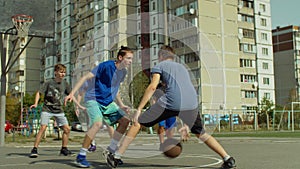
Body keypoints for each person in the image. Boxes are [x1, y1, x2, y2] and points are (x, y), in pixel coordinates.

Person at [107, 45, 236, 169]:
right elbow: (185, 89)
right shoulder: (182, 68)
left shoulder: (160, 66)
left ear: (161, 56)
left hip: (171, 102)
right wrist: (186, 124)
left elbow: (152, 87)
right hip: (191, 103)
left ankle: (116, 156)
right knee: (201, 133)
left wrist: (139, 109)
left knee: (138, 122)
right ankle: (227, 158)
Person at [64, 46, 134, 168]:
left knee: (125, 121)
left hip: (108, 102)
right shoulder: (106, 66)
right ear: (120, 57)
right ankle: (81, 156)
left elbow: (115, 89)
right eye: (128, 58)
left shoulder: (123, 72)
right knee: (97, 123)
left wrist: (121, 104)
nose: (130, 61)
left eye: (131, 59)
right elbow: (85, 77)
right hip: (93, 99)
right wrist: (71, 93)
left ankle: (110, 151)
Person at [29, 64, 73, 158]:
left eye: (64, 72)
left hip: (59, 109)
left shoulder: (65, 84)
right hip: (47, 109)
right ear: (56, 72)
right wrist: (36, 103)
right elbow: (39, 93)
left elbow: (71, 94)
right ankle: (34, 149)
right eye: (61, 72)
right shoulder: (49, 83)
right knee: (43, 128)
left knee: (67, 129)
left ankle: (64, 149)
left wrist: (73, 101)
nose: (63, 74)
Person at [75, 70, 115, 152]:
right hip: (92, 103)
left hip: (103, 103)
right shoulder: (87, 81)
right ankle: (92, 143)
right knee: (94, 124)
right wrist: (77, 106)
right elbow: (80, 94)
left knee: (109, 123)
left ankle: (114, 145)